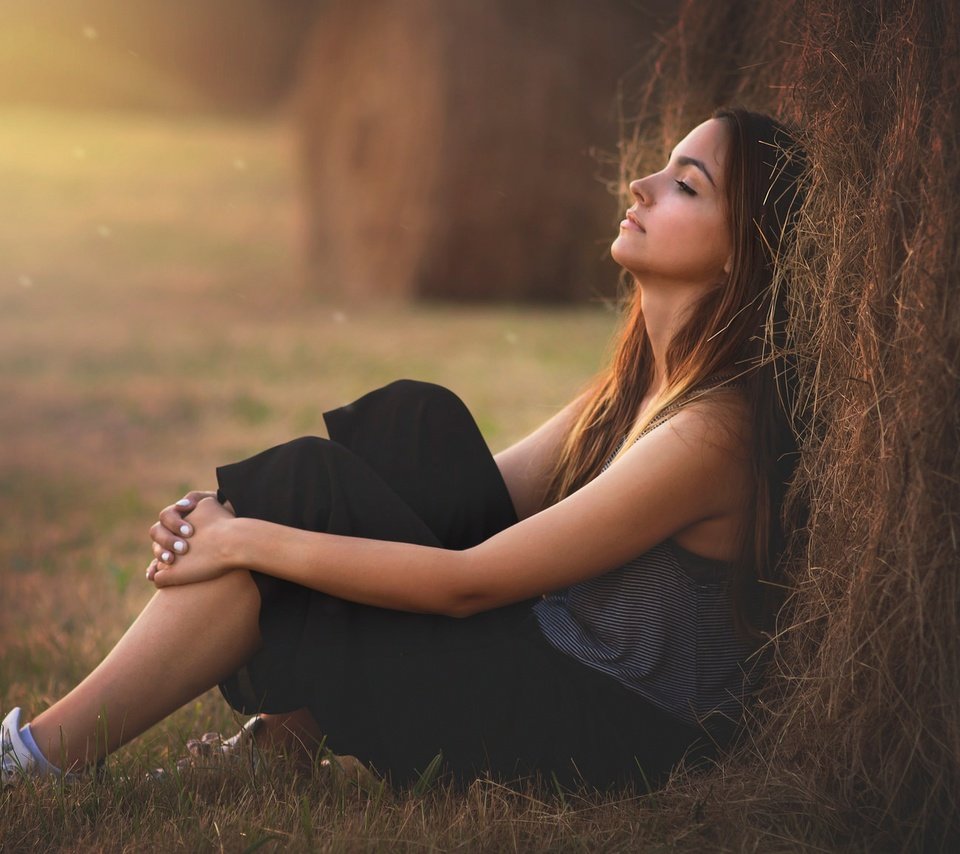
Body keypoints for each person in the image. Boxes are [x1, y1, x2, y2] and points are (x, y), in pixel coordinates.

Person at [2, 107, 806, 791]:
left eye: (685, 186)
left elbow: (467, 581)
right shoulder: (635, 389)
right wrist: (269, 526)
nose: (642, 186)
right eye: (661, 170)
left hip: (605, 732)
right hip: (552, 667)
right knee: (412, 423)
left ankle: (38, 757)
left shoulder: (714, 430)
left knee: (309, 487)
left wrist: (243, 536)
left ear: (743, 251)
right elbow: (455, 503)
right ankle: (277, 740)